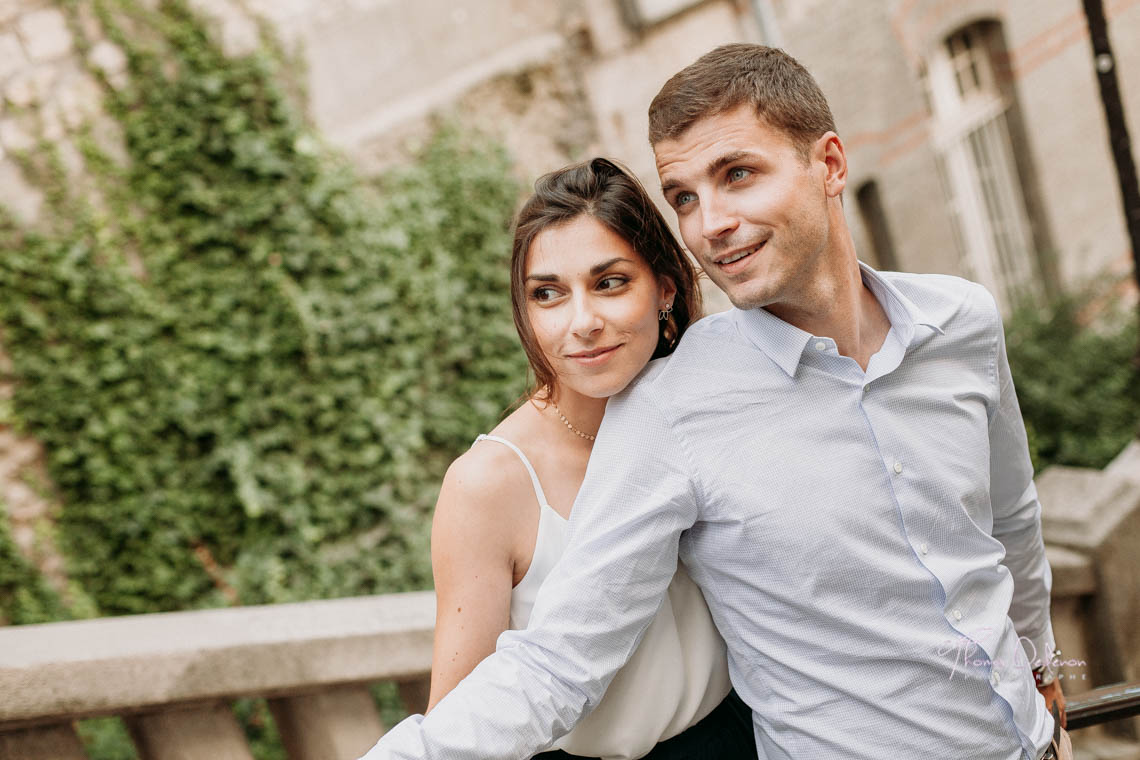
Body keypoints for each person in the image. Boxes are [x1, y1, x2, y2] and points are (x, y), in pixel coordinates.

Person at [362, 44, 1071, 760]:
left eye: (737, 175)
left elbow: (1010, 523)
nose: (710, 224)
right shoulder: (668, 410)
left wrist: (1043, 663)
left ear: (828, 164)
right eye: (684, 197)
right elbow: (556, 660)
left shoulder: (963, 319)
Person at [425, 157, 757, 760]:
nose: (583, 323)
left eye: (609, 282)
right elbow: (460, 716)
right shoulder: (488, 483)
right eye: (548, 294)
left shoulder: (719, 410)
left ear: (665, 287)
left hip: (747, 739)